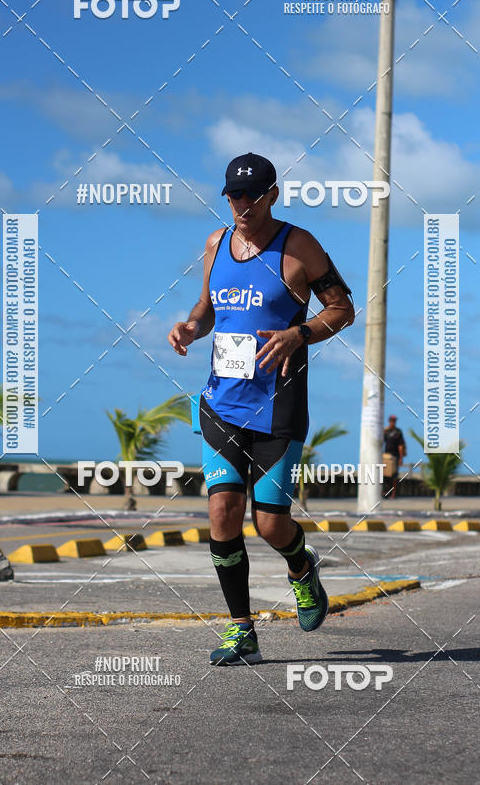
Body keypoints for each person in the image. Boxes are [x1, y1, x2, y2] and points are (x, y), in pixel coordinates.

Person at [168, 152, 354, 665]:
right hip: (220, 402)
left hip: (277, 407)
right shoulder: (216, 244)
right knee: (223, 511)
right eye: (234, 195)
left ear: (273, 194)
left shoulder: (298, 246)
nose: (242, 205)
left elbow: (342, 308)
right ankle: (240, 629)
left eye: (252, 195)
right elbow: (207, 310)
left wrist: (299, 333)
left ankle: (301, 566)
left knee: (270, 523)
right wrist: (189, 326)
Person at [382, 414, 406, 499]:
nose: (393, 422)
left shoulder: (398, 432)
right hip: (386, 456)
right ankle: (385, 492)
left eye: (394, 421)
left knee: (394, 476)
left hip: (395, 456)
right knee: (384, 475)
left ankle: (393, 494)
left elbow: (400, 446)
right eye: (391, 421)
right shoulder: (386, 431)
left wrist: (401, 458)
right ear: (389, 421)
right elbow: (381, 442)